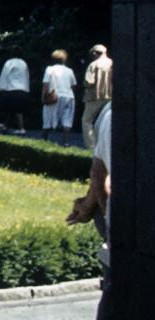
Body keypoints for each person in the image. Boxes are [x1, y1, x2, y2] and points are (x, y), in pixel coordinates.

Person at [65, 99, 112, 319]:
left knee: (115, 291)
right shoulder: (113, 114)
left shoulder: (112, 114)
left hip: (123, 223)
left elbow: (99, 173)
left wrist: (90, 208)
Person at [42, 49, 78, 144]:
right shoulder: (69, 70)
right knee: (67, 120)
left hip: (54, 96)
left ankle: (43, 141)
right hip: (69, 96)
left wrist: (43, 97)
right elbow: (73, 85)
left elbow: (45, 84)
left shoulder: (49, 69)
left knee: (48, 118)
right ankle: (65, 143)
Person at [83, 44, 113, 153]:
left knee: (86, 121)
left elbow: (88, 82)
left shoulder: (93, 64)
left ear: (95, 53)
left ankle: (91, 147)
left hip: (94, 97)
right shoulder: (112, 63)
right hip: (110, 96)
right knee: (106, 121)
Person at [0, 50, 31, 132]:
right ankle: (6, 126)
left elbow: (4, 75)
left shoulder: (9, 63)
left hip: (11, 88)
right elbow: (27, 76)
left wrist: (1, 88)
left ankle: (20, 128)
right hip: (22, 88)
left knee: (11, 109)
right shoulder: (23, 63)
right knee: (16, 109)